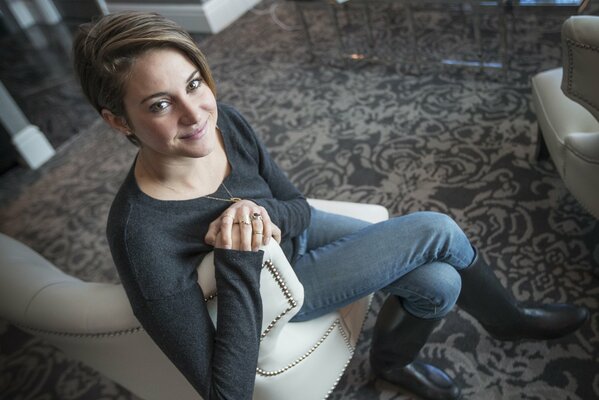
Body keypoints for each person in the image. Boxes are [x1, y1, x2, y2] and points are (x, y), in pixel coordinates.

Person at [72, 12, 589, 400]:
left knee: (441, 285)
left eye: (193, 84)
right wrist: (240, 258)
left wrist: (263, 217)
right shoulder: (143, 238)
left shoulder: (223, 120)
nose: (194, 113)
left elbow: (294, 204)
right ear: (118, 121)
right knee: (437, 228)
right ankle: (508, 319)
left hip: (293, 236)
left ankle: (391, 364)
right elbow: (222, 391)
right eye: (159, 104)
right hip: (268, 290)